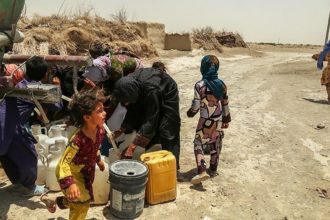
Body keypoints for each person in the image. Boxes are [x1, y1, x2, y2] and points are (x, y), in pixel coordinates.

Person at [40, 87, 107, 220]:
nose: (104, 113)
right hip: (69, 172)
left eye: (103, 109)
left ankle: (53, 200)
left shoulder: (100, 131)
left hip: (84, 173)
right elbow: (64, 163)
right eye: (100, 111)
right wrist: (70, 184)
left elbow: (95, 148)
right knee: (82, 203)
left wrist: (98, 160)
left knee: (78, 199)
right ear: (87, 117)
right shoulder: (78, 139)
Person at [0, 56, 61, 196]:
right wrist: (57, 86)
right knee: (29, 156)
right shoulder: (37, 89)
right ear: (45, 74)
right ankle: (29, 187)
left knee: (7, 155)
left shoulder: (19, 84)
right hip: (12, 126)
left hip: (5, 121)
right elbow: (57, 106)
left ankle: (18, 184)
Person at [112, 64, 181, 170]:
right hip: (147, 92)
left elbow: (151, 118)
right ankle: (155, 160)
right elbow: (132, 110)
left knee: (167, 129)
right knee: (141, 120)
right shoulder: (129, 86)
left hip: (166, 91)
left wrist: (132, 147)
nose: (125, 104)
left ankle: (172, 167)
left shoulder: (151, 89)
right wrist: (122, 129)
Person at [187, 55, 231, 185]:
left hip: (205, 120)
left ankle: (202, 171)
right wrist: (226, 119)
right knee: (214, 142)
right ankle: (213, 169)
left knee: (198, 143)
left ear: (203, 67)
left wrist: (190, 113)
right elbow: (225, 103)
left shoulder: (199, 85)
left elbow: (195, 106)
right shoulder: (222, 85)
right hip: (217, 120)